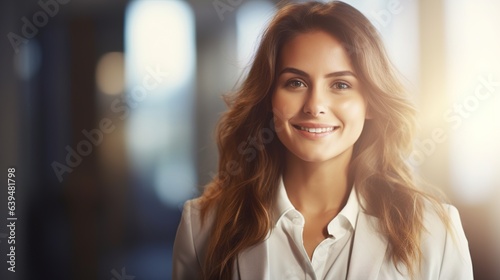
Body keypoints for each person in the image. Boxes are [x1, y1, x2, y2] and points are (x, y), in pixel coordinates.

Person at [172, 1, 473, 279]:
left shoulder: (433, 230)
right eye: (296, 82)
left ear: (370, 103)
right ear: (268, 98)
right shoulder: (203, 226)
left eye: (340, 84)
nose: (315, 105)